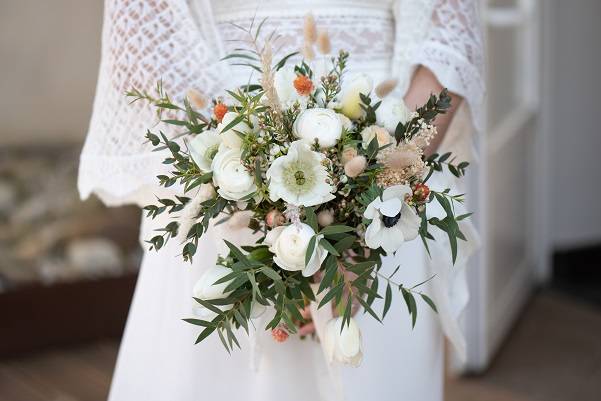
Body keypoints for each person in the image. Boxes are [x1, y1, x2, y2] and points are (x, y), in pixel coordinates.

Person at [78, 0, 484, 400]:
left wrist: (371, 205)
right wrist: (250, 176)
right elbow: (146, 38)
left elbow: (447, 41)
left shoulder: (384, 198)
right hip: (223, 187)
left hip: (387, 194)